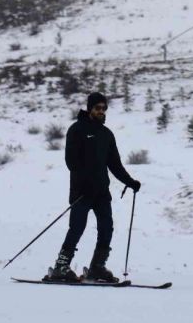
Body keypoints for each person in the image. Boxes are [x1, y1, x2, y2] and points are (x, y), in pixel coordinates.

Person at [47, 92, 141, 283]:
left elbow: (114, 164)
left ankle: (97, 267)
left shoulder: (107, 134)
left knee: (107, 228)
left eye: (104, 108)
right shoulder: (76, 130)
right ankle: (61, 267)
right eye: (98, 108)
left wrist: (130, 182)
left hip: (101, 192)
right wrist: (85, 183)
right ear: (90, 108)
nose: (101, 111)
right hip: (81, 191)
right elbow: (72, 162)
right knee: (77, 228)